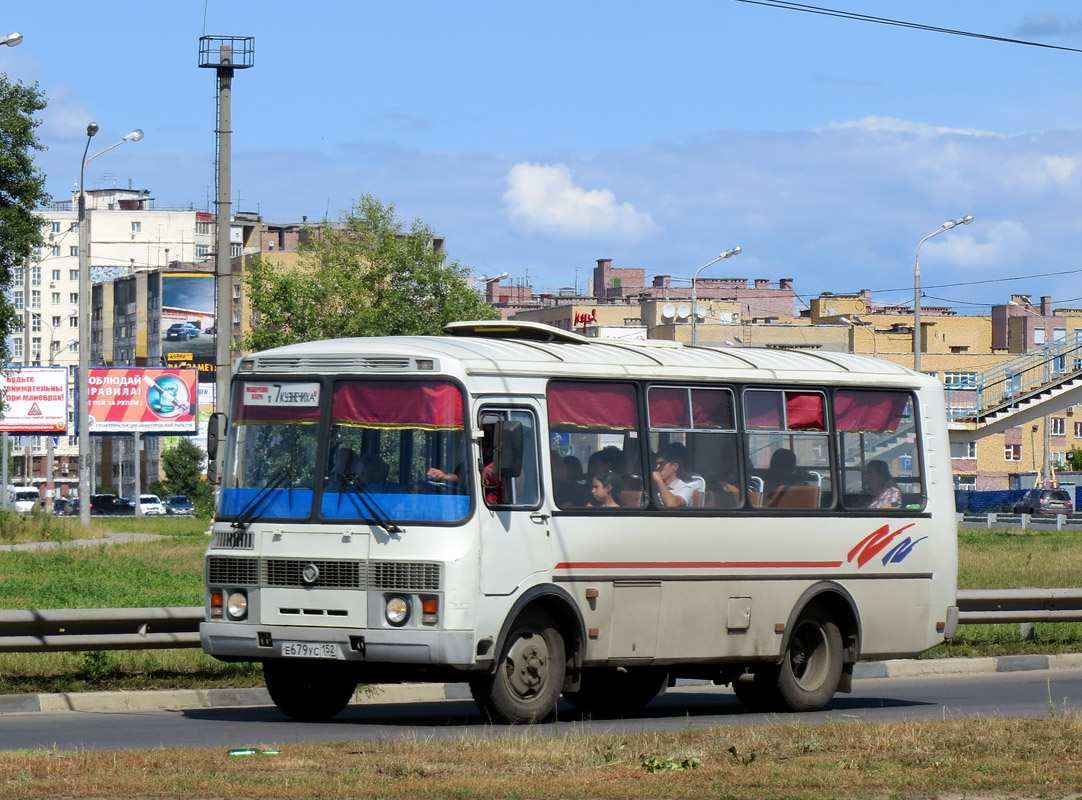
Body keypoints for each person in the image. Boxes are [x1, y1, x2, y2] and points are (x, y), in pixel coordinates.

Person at [651, 442, 698, 508]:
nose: (657, 467)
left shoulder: (685, 488)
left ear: (674, 467)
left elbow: (672, 504)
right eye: (656, 464)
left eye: (661, 464)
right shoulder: (652, 487)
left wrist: (659, 481)